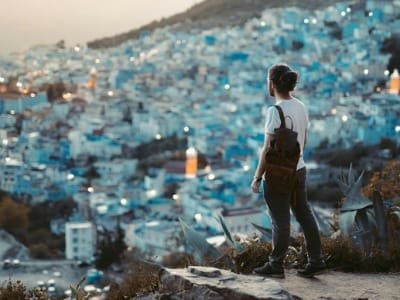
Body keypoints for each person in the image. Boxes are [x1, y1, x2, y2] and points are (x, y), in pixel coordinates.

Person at [251, 63, 326, 278]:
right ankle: (316, 260)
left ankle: (276, 265)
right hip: (299, 169)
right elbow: (305, 140)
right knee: (305, 214)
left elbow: (267, 149)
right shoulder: (301, 107)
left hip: (277, 175)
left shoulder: (275, 111)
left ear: (272, 84)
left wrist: (257, 177)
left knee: (280, 221)